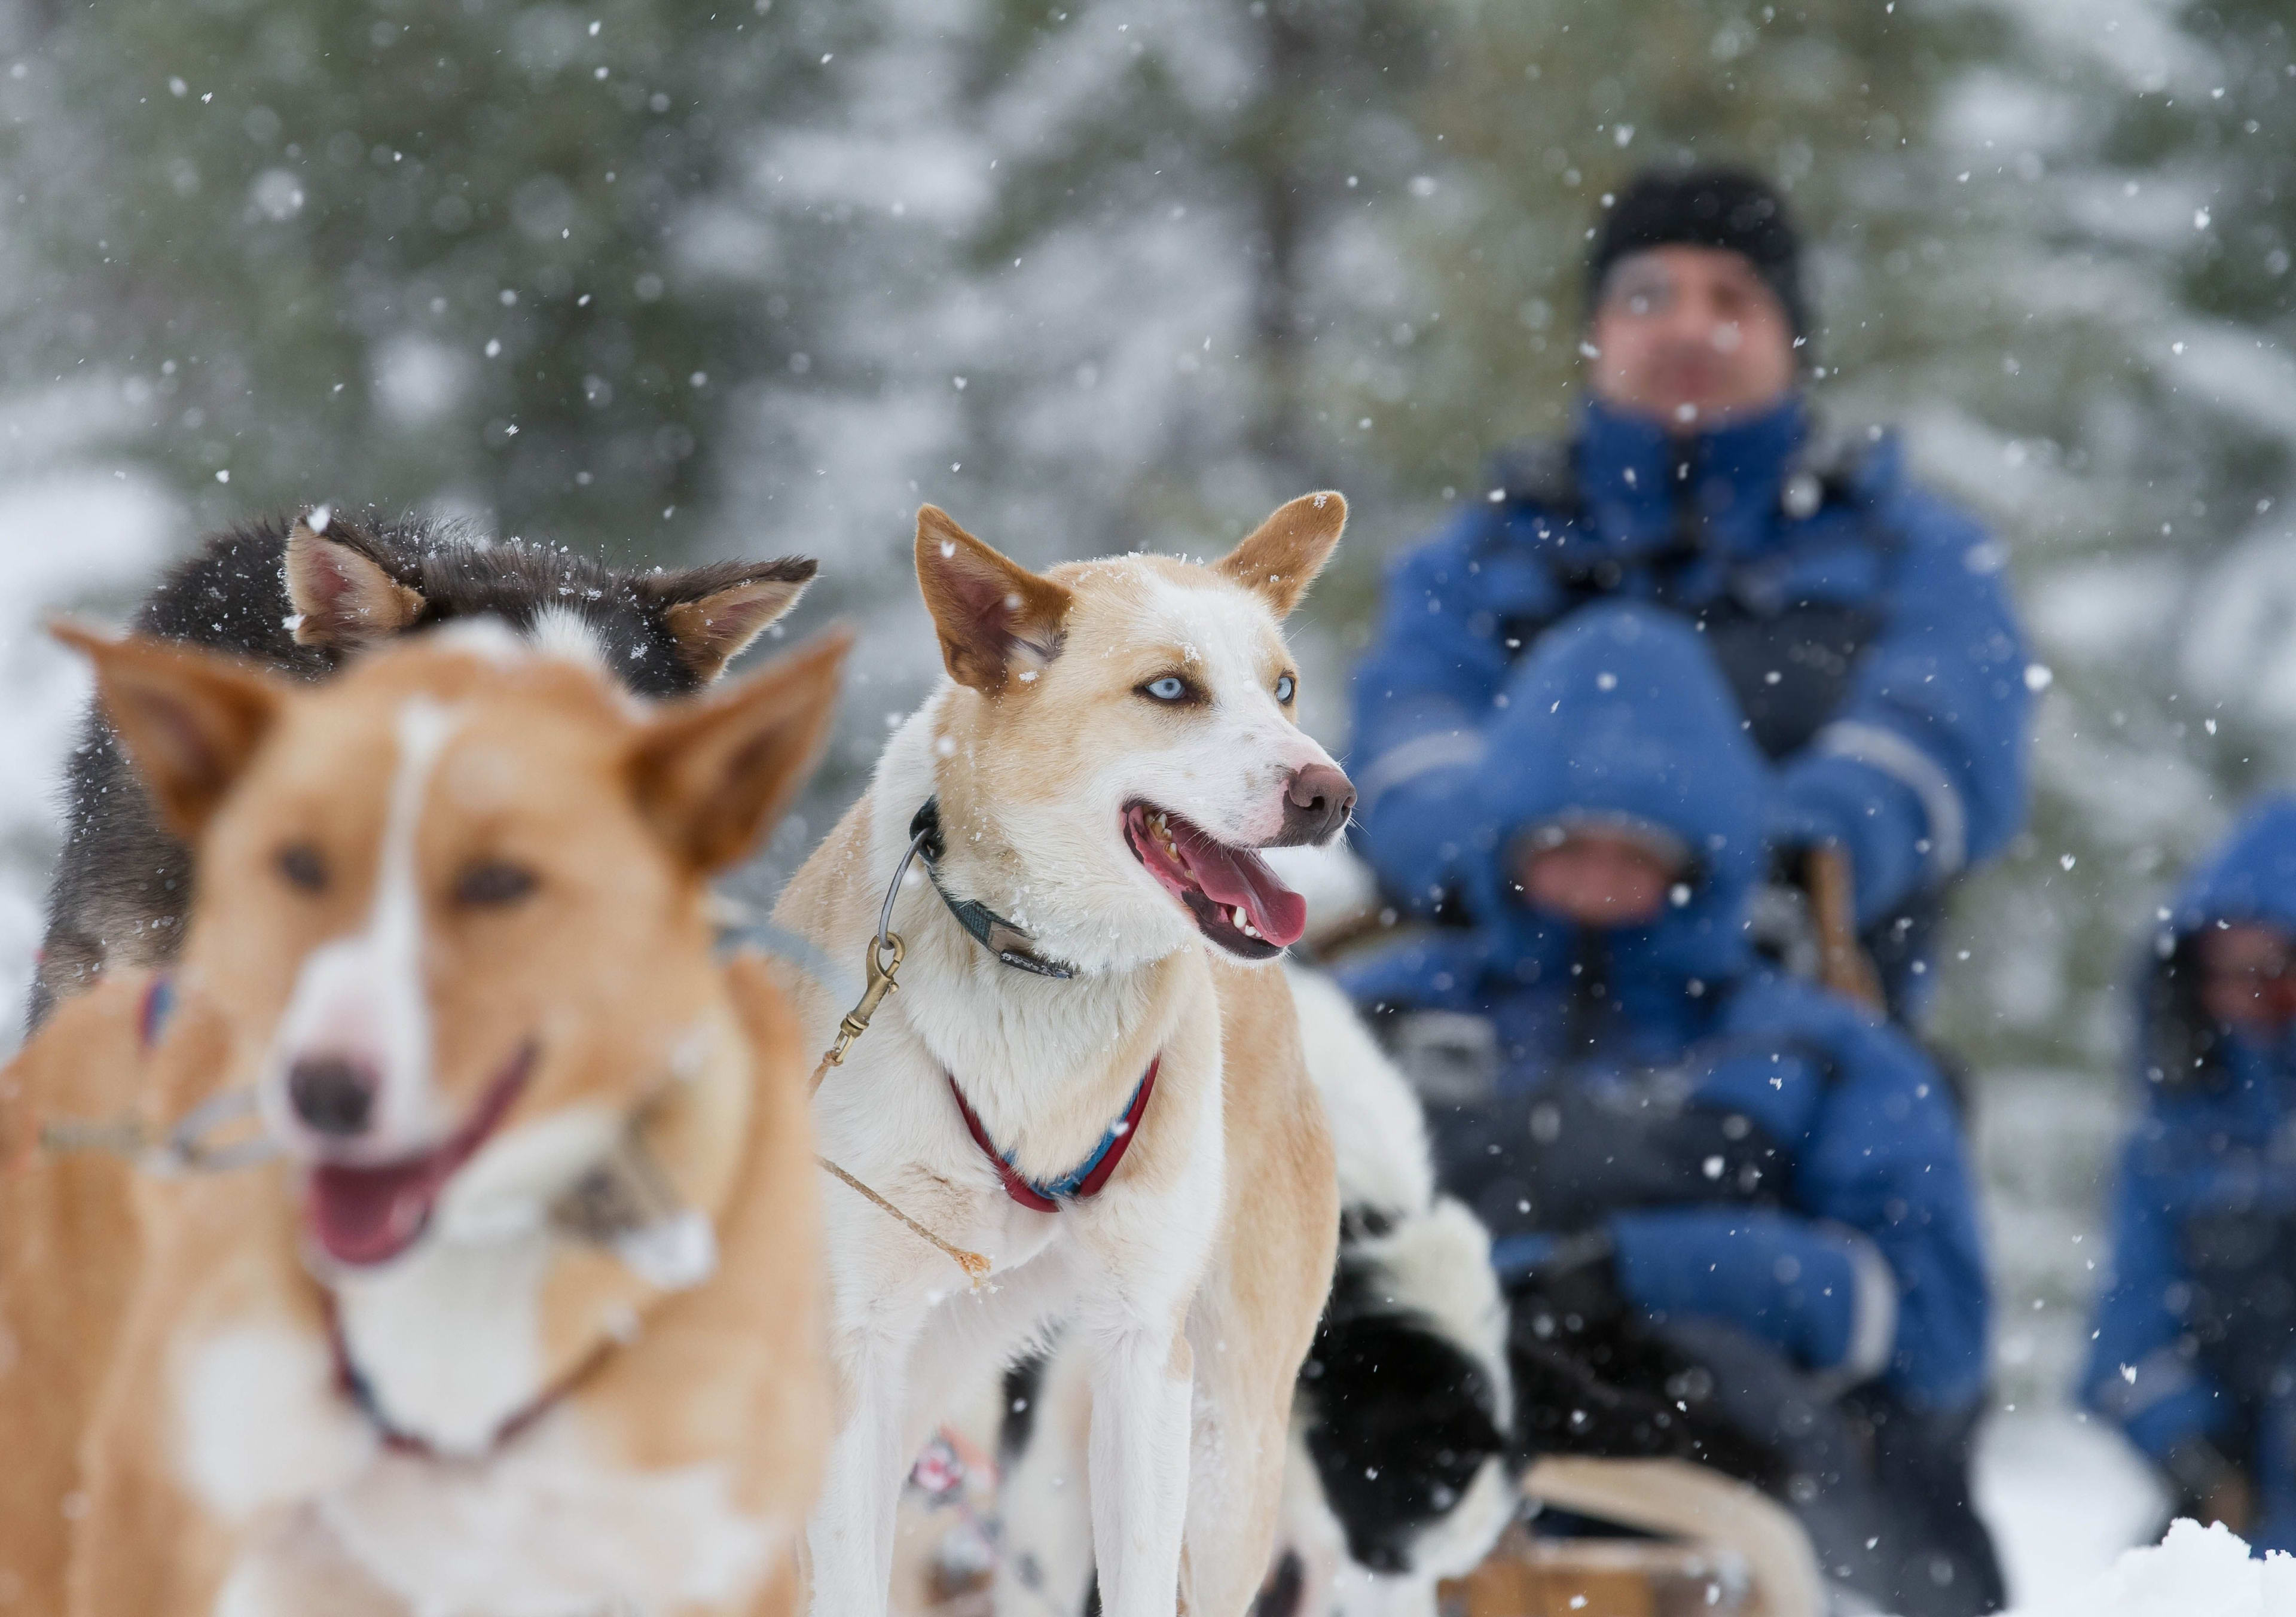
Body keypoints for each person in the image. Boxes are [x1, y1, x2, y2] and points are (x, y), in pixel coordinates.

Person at [1342, 603, 2005, 1615]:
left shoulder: (1822, 1049)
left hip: (1722, 1467)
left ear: (1704, 862)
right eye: (1567, 845)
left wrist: (1641, 1270)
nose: (1597, 885)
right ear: (1507, 842)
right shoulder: (1373, 1015)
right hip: (1391, 1443)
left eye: (1636, 854)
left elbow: (1935, 1327)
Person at [1347, 164, 2029, 1020]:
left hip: (1805, 1065)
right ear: (1595, 331)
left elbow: (1946, 740)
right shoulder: (1479, 556)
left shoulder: (1913, 552)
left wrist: (1774, 860)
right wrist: (1484, 858)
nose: (1689, 328)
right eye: (1648, 297)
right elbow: (1406, 731)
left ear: (1793, 341)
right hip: (1480, 1062)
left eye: (1733, 300)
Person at [2088, 797, 2296, 1554]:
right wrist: (2194, 1451)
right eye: (2224, 974)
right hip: (2244, 1532)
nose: (2246, 1002)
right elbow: (2124, 1342)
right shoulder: (2173, 1143)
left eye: (2273, 974)